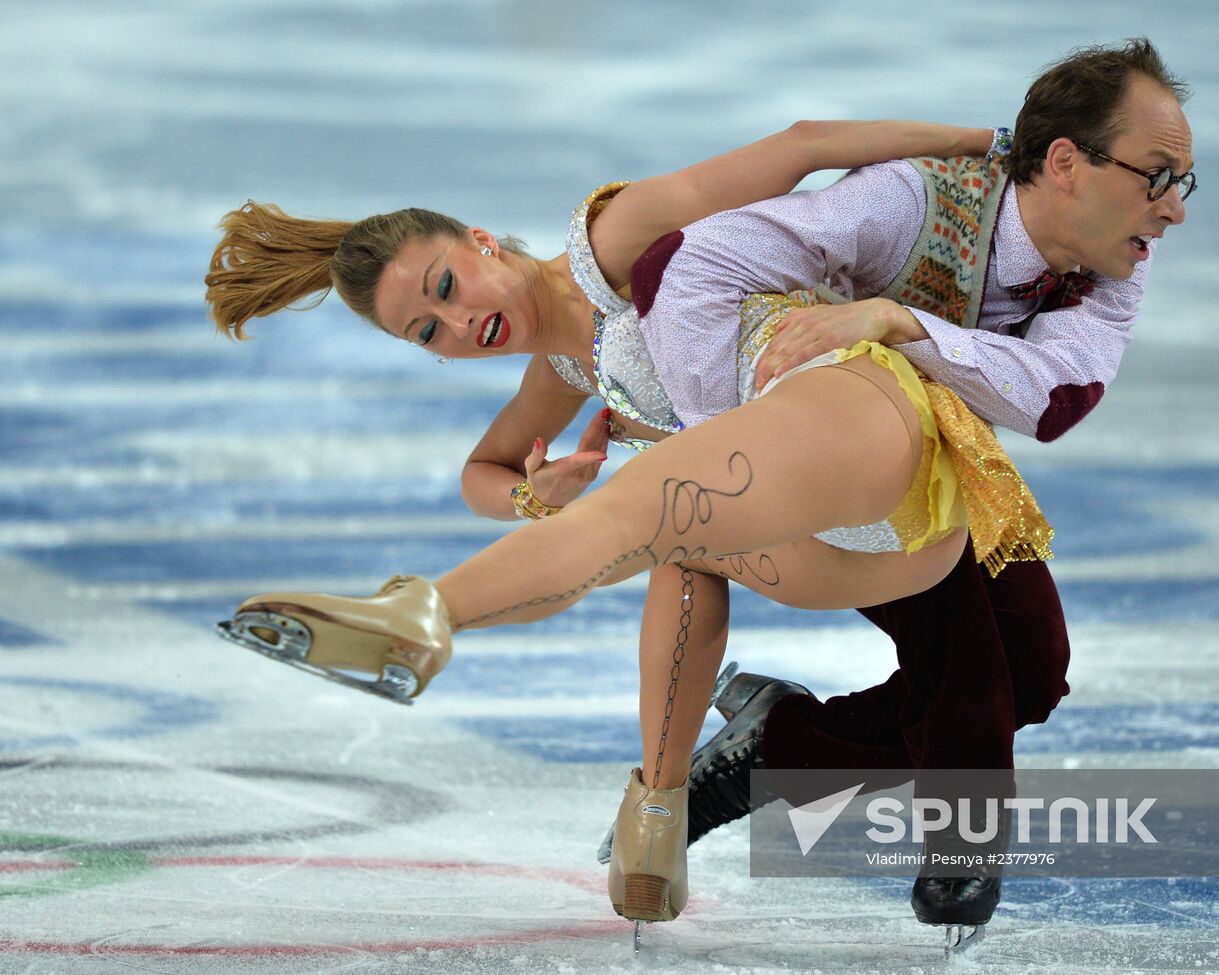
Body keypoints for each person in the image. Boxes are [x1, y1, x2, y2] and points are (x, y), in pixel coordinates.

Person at [204, 117, 1055, 934]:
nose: (461, 324)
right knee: (710, 547)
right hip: (806, 507)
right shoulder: (561, 371)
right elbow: (482, 473)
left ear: (482, 240)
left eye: (447, 287)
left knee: (1034, 671)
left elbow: (805, 148)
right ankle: (677, 794)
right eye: (431, 330)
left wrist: (984, 144)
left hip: (862, 423)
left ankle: (760, 756)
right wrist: (537, 495)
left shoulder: (614, 240)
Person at [646, 37, 1194, 943]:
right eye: (1158, 176)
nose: (1173, 210)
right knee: (968, 659)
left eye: (1185, 182)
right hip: (809, 442)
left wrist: (902, 323)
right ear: (1066, 162)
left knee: (1033, 666)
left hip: (937, 452)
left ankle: (776, 750)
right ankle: (962, 843)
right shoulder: (913, 200)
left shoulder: (1112, 265)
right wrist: (738, 425)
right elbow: (688, 261)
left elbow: (1058, 396)